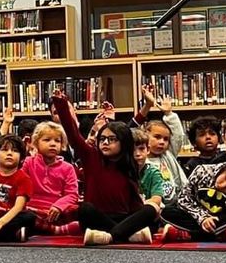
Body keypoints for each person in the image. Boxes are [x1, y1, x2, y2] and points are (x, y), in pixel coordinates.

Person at [50, 94, 162, 245]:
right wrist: (61, 104)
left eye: (112, 139)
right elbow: (73, 135)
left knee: (151, 209)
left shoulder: (130, 164)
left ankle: (109, 236)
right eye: (102, 139)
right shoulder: (91, 156)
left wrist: (146, 214)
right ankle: (126, 235)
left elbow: (134, 201)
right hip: (97, 217)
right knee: (85, 209)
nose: (105, 143)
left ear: (124, 142)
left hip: (123, 217)